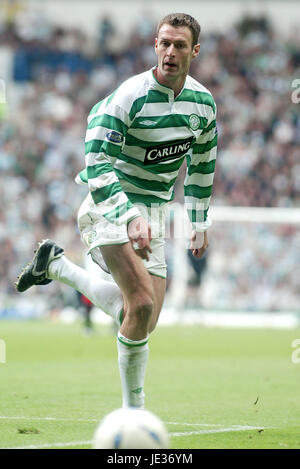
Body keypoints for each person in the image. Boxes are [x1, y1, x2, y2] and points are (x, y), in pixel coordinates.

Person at [15, 13, 218, 410]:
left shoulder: (203, 105)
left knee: (141, 318)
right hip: (109, 204)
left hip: (155, 213)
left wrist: (198, 221)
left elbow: (202, 164)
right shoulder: (130, 96)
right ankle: (133, 413)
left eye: (179, 45)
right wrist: (130, 217)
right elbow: (97, 162)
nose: (170, 52)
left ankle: (56, 267)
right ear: (154, 45)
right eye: (164, 43)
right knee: (139, 305)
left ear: (194, 51)